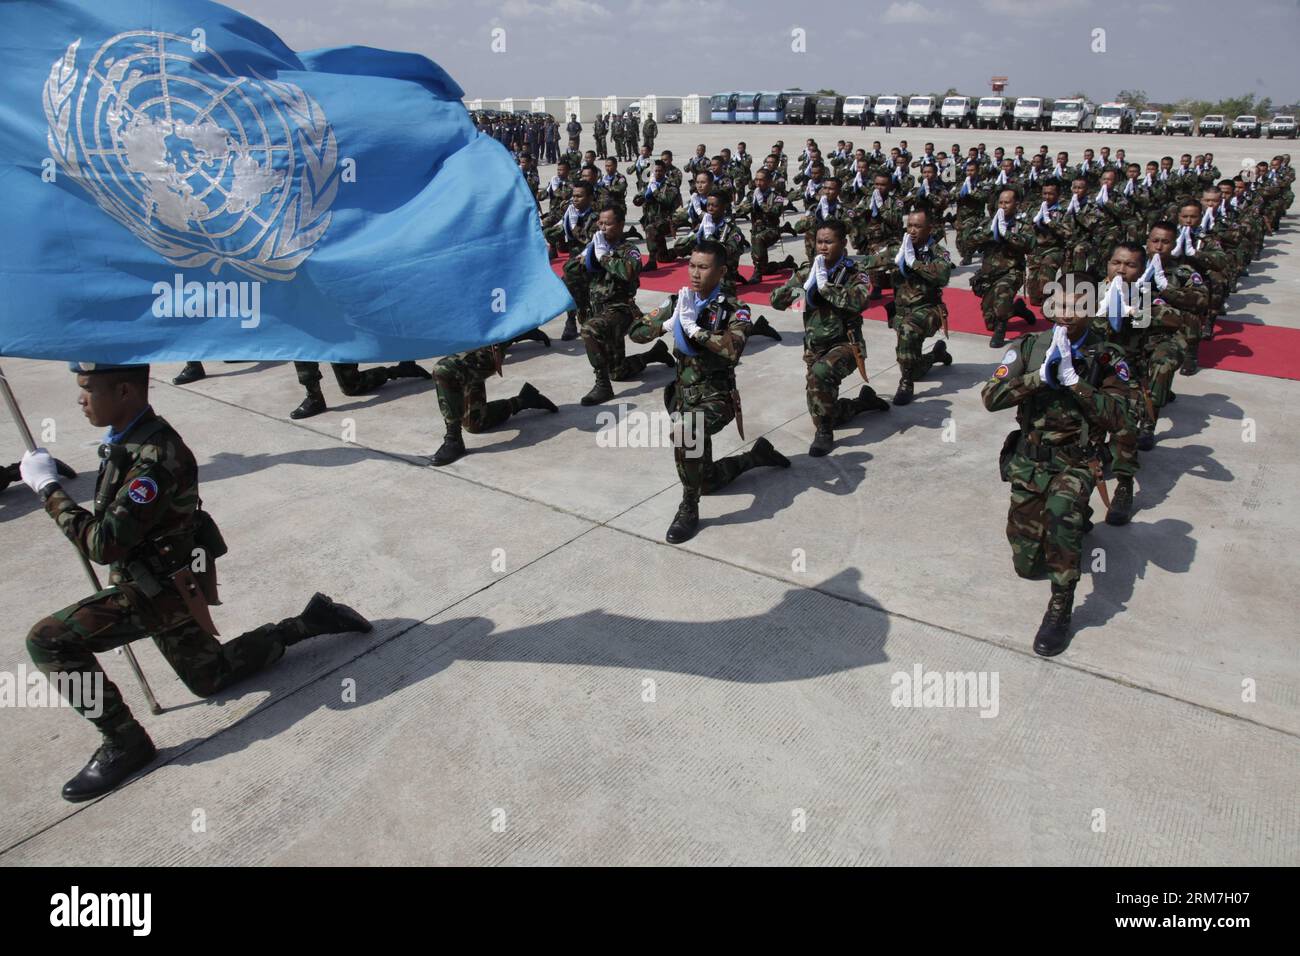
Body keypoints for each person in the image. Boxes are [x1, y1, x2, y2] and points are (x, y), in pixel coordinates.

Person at [17, 363, 372, 801]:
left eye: (88, 389)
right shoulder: (129, 440)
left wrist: (46, 488)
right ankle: (308, 622)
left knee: (48, 641)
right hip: (161, 580)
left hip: (153, 592)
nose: (80, 399)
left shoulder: (156, 459)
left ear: (124, 390)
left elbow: (103, 543)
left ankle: (125, 742)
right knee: (211, 678)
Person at [981, 278, 1136, 657]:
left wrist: (1075, 383)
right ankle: (1076, 517)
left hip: (1077, 461)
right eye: (1060, 304)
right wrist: (1038, 378)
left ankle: (1060, 607)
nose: (1067, 312)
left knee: (1061, 514)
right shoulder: (1030, 347)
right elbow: (991, 397)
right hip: (1031, 462)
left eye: (1078, 306)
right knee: (1026, 565)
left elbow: (1120, 418)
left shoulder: (1106, 357)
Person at [628, 241, 791, 543]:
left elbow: (733, 350)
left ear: (721, 271)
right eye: (691, 265)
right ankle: (755, 457)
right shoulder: (678, 301)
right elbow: (636, 333)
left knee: (686, 432)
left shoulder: (735, 309)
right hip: (682, 397)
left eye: (703, 267)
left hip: (716, 397)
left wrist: (694, 330)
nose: (694, 273)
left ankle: (688, 507)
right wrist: (667, 324)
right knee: (706, 479)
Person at [770, 220, 890, 457]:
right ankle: (863, 404)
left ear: (843, 243)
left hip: (846, 345)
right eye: (819, 242)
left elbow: (860, 301)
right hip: (814, 349)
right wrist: (806, 290)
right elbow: (777, 301)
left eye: (829, 242)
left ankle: (825, 433)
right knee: (823, 407)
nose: (823, 247)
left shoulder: (856, 273)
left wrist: (827, 289)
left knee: (820, 377)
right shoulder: (809, 270)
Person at [858, 208, 954, 405]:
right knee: (912, 363)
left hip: (928, 310)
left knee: (908, 333)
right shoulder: (898, 249)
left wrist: (914, 263)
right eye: (909, 225)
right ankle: (936, 354)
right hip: (902, 313)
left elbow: (943, 276)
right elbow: (870, 262)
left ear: (929, 229)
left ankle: (906, 383)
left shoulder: (938, 252)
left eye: (918, 226)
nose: (912, 230)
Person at [428, 343, 559, 466]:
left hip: (485, 348)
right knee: (475, 423)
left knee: (445, 371)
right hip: (461, 345)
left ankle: (453, 439)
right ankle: (523, 400)